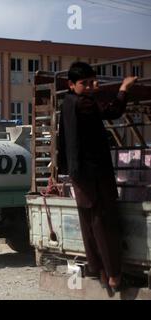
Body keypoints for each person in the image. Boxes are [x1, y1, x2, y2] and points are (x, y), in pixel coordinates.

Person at [58, 61, 137, 291]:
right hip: (93, 175)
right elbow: (113, 111)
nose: (93, 86)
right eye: (86, 83)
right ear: (71, 85)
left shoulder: (68, 103)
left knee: (89, 223)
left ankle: (100, 271)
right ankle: (113, 275)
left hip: (79, 173)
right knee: (103, 223)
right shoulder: (84, 103)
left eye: (94, 82)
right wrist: (124, 88)